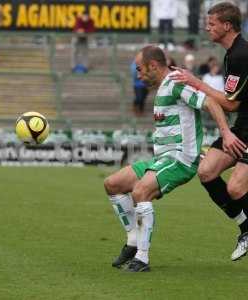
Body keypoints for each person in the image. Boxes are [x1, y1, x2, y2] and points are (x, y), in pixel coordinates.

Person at [104, 45, 244, 272]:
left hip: (181, 160)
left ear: (153, 66)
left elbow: (210, 102)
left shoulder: (175, 83)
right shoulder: (162, 87)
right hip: (161, 159)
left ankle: (142, 258)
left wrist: (226, 133)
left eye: (139, 70)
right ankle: (132, 240)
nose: (137, 75)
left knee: (140, 192)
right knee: (112, 184)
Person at [170, 2, 248, 261]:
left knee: (237, 187)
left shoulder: (240, 55)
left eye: (212, 23)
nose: (207, 27)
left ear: (227, 26)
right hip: (243, 127)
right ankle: (245, 229)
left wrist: (195, 82)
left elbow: (230, 103)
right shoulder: (231, 54)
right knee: (206, 171)